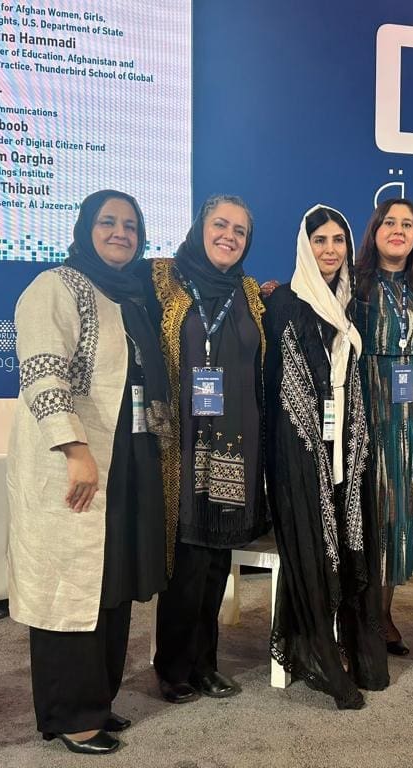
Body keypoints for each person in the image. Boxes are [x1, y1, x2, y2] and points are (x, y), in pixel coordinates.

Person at [7, 189, 172, 755]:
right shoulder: (57, 285)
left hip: (127, 457)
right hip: (76, 459)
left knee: (110, 583)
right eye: (108, 222)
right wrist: (74, 449)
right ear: (85, 228)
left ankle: (97, 701)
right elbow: (43, 372)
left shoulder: (129, 297)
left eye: (131, 225)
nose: (120, 233)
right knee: (68, 586)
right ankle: (70, 715)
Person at [144, 194, 270, 703]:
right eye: (221, 224)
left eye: (240, 231)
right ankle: (173, 666)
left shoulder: (250, 293)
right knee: (186, 560)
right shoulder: (162, 280)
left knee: (218, 557)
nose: (229, 236)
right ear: (201, 227)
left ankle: (205, 663)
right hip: (182, 443)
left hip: (237, 443)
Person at [264, 204, 389, 709]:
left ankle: (355, 649)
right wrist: (312, 438)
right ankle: (320, 653)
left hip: (347, 441)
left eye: (339, 240)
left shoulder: (350, 302)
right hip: (298, 443)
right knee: (316, 542)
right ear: (305, 245)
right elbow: (278, 381)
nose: (331, 249)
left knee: (352, 536)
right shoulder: (285, 301)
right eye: (320, 240)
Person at [353, 197, 413, 656]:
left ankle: (384, 611)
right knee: (371, 511)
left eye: (408, 224)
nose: (398, 230)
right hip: (371, 411)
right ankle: (359, 613)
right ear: (375, 231)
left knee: (400, 514)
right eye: (390, 222)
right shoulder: (353, 285)